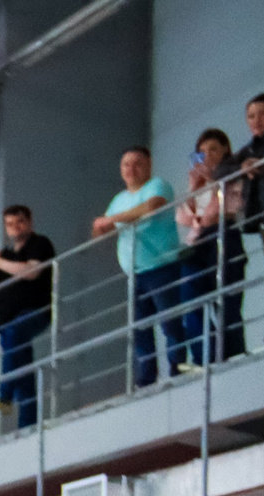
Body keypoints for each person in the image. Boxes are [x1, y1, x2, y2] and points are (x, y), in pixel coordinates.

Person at [93, 146, 182, 386]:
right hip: (135, 273)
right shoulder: (119, 200)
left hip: (161, 266)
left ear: (149, 165)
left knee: (170, 321)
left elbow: (151, 206)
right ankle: (146, 376)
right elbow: (101, 230)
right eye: (126, 164)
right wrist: (100, 227)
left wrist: (111, 220)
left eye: (137, 163)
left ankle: (178, 366)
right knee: (139, 328)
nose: (131, 169)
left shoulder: (157, 185)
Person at [0, 204, 55, 431]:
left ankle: (5, 394)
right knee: (23, 370)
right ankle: (27, 425)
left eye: (20, 222)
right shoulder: (6, 255)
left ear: (29, 221)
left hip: (33, 312)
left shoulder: (40, 244)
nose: (15, 227)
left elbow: (31, 271)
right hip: (6, 320)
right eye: (10, 224)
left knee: (15, 336)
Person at [174, 129, 246, 367]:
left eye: (213, 149)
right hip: (197, 243)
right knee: (191, 298)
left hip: (225, 237)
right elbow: (182, 217)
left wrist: (215, 182)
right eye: (202, 151)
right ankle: (203, 356)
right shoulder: (198, 182)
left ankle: (233, 354)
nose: (208, 155)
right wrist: (194, 188)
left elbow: (229, 209)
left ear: (225, 150)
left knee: (227, 300)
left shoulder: (233, 175)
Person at [236, 93, 264, 348]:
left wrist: (260, 165)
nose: (257, 120)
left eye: (263, 114)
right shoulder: (251, 148)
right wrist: (244, 166)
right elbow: (224, 168)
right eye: (251, 116)